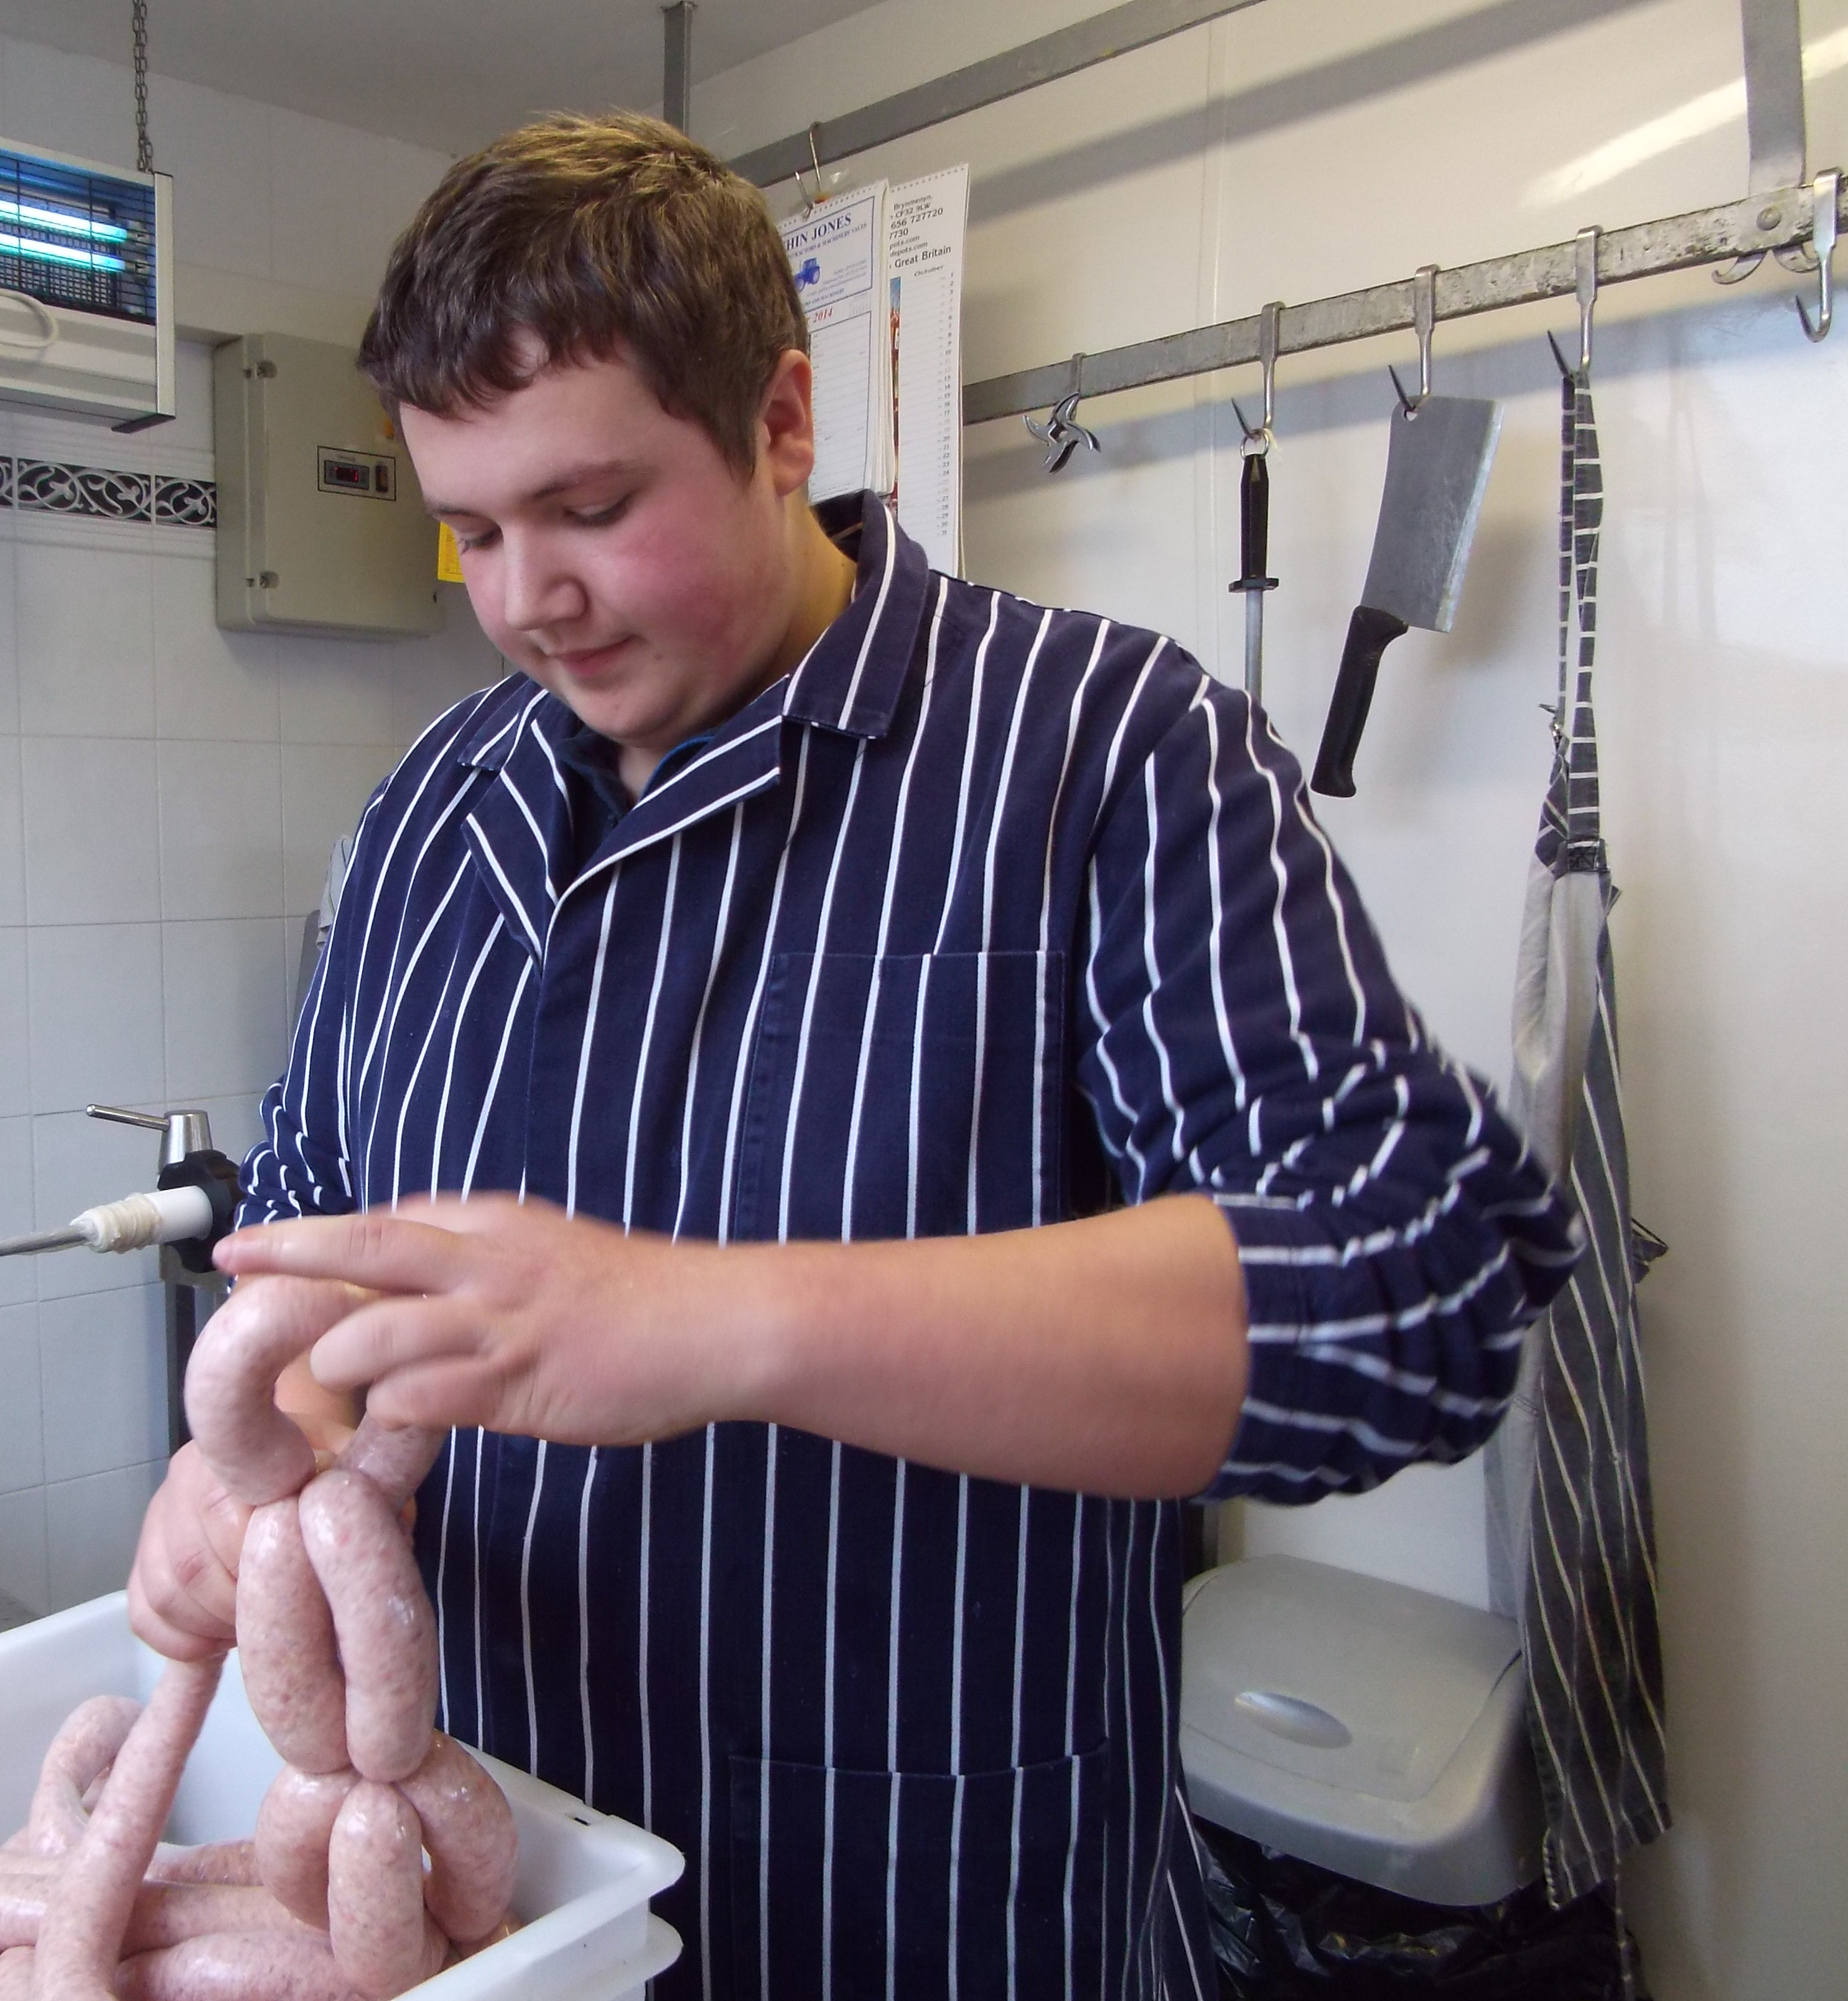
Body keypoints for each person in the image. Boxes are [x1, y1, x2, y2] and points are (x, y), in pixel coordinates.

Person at [129, 113, 1577, 1999]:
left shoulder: (1103, 755)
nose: (522, 601)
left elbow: (1417, 1293)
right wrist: (243, 1465)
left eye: (588, 509)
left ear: (784, 423)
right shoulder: (434, 806)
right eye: (471, 529)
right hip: (494, 1911)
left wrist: (719, 1321)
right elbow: (322, 1235)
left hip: (924, 1907)